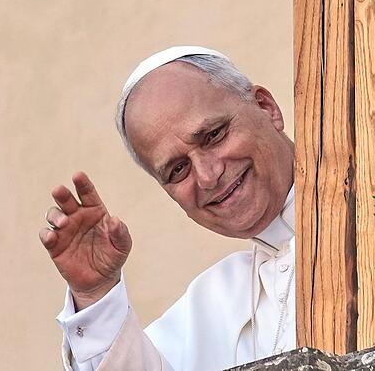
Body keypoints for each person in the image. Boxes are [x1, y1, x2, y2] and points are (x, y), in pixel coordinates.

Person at [39, 46, 296, 370]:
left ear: (266, 107)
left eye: (213, 136)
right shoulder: (216, 299)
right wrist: (97, 295)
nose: (208, 175)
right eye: (177, 170)